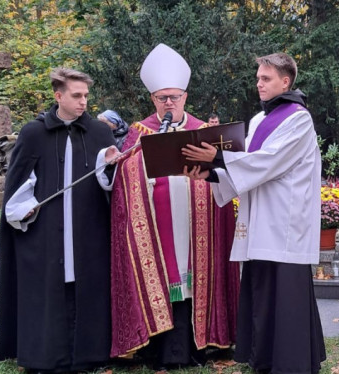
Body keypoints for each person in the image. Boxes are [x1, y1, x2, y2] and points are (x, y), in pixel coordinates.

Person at [181, 52, 326, 374]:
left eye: (266, 79)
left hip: (285, 219)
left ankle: (292, 363)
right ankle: (264, 359)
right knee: (262, 290)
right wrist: (211, 173)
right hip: (260, 215)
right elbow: (246, 168)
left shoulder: (298, 117)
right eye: (258, 78)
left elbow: (270, 161)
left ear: (285, 81)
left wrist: (218, 158)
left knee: (286, 294)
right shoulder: (260, 120)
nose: (258, 84)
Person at [102, 43, 240, 369]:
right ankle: (159, 349)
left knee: (194, 281)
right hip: (157, 225)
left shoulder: (206, 133)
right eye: (162, 98)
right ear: (152, 99)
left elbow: (227, 177)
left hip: (196, 226)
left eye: (174, 97)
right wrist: (140, 173)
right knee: (165, 281)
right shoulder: (139, 133)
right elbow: (124, 181)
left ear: (185, 98)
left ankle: (199, 346)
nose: (168, 103)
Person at [0, 68, 115, 372]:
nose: (84, 102)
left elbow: (111, 187)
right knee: (48, 290)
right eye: (77, 96)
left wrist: (109, 167)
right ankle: (46, 357)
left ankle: (90, 355)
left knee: (86, 286)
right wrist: (24, 207)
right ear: (58, 96)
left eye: (86, 95)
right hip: (45, 234)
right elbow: (17, 186)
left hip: (89, 231)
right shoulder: (33, 133)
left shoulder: (100, 132)